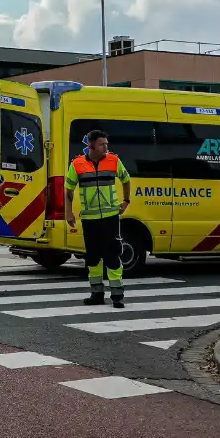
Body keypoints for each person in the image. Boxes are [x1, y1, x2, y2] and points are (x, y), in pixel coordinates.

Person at [65, 130, 132, 308]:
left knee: (112, 256)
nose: (106, 147)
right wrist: (68, 212)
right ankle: (97, 293)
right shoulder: (77, 164)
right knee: (93, 258)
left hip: (110, 218)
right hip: (89, 219)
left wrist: (126, 201)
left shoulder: (114, 161)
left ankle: (117, 295)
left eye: (107, 144)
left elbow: (126, 179)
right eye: (102, 144)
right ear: (91, 145)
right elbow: (69, 190)